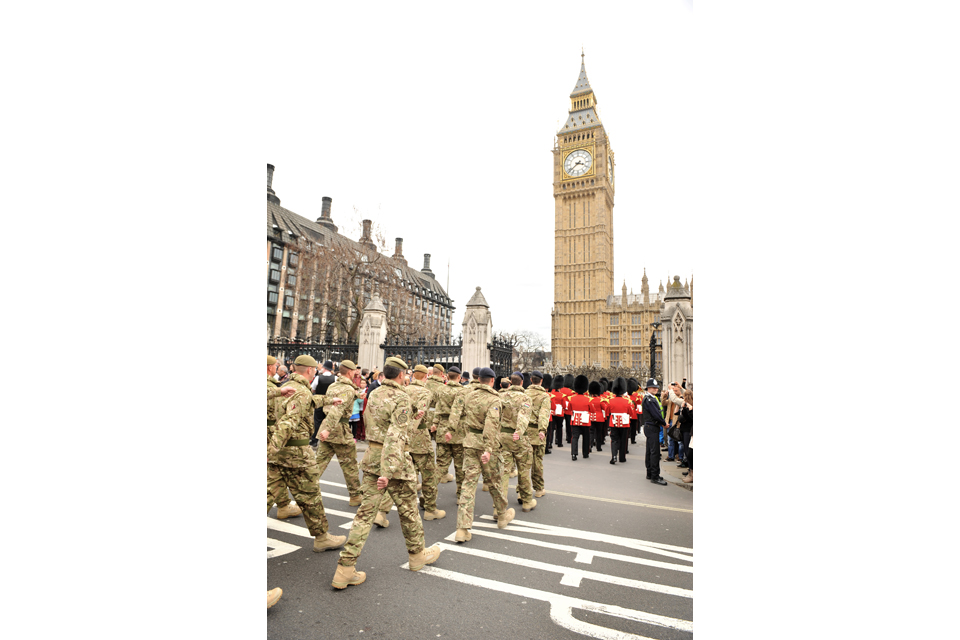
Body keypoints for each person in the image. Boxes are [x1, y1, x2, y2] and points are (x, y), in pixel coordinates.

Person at [331, 356, 442, 589]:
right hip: (394, 461)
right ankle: (417, 556)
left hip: (372, 457)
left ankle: (344, 568)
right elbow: (395, 435)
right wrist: (389, 470)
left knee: (364, 515)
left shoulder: (375, 393)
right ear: (401, 375)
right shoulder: (401, 397)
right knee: (409, 510)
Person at [267, 354, 348, 552]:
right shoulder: (301, 391)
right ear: (311, 371)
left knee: (268, 492)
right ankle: (322, 538)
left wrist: (329, 399)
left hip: (281, 453)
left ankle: (321, 536)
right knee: (311, 496)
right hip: (297, 454)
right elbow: (289, 421)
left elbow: (309, 401)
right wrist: (271, 450)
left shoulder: (283, 387)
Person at [448, 367, 515, 543]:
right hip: (488, 444)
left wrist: (450, 429)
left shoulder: (468, 394)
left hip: (469, 442)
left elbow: (456, 413)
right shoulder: (494, 399)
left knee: (468, 485)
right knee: (494, 480)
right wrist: (488, 449)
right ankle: (501, 515)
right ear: (492, 380)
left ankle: (462, 528)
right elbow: (491, 425)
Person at [377, 364, 444, 522]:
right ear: (426, 376)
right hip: (419, 437)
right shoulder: (425, 392)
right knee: (428, 474)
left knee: (398, 475)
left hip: (402, 438)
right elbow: (419, 415)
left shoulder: (403, 390)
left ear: (413, 375)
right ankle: (430, 508)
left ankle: (382, 511)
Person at [315, 360, 363, 506]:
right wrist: (328, 429)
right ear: (350, 372)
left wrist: (325, 429)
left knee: (319, 463)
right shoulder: (348, 389)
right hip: (339, 429)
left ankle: (307, 491)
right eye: (355, 371)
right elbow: (337, 410)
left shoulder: (333, 385)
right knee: (349, 465)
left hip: (326, 426)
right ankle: (355, 496)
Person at [268, 355, 301, 519]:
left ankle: (283, 504)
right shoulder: (270, 386)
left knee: (274, 471)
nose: (277, 368)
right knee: (272, 471)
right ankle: (283, 505)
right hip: (269, 431)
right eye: (275, 365)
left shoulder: (273, 385)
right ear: (270, 367)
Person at [497, 372, 536, 512]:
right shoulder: (525, 397)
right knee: (524, 469)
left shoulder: (501, 396)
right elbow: (523, 416)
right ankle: (526, 501)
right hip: (519, 438)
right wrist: (518, 431)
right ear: (522, 382)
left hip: (503, 436)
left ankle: (499, 507)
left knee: (503, 471)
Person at [433, 366, 466, 494]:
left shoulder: (441, 390)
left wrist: (435, 423)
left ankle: (429, 492)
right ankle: (460, 494)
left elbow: (437, 407)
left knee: (441, 465)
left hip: (442, 427)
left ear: (447, 376)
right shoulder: (463, 391)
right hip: (459, 430)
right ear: (459, 377)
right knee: (460, 466)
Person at [524, 371, 551, 499]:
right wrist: (542, 430)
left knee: (523, 462)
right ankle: (539, 488)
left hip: (524, 431)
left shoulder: (524, 394)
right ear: (541, 381)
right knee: (537, 462)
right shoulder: (544, 396)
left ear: (530, 380)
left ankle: (521, 490)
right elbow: (544, 414)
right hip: (536, 431)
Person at [642, 378, 668, 485]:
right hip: (652, 426)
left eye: (656, 388)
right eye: (653, 388)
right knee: (655, 452)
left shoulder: (649, 398)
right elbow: (656, 414)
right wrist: (663, 423)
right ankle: (655, 476)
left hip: (650, 427)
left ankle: (650, 473)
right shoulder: (650, 399)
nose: (656, 389)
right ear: (648, 388)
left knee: (649, 451)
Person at [606, 378, 632, 465]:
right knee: (623, 440)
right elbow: (630, 413)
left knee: (614, 440)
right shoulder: (627, 401)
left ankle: (614, 456)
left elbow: (607, 412)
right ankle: (622, 457)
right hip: (624, 423)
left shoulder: (610, 400)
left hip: (613, 422)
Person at [568, 375, 591, 461]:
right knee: (586, 437)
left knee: (574, 437)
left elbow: (569, 409)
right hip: (585, 421)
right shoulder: (588, 399)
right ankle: (585, 453)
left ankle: (574, 454)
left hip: (575, 420)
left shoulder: (571, 398)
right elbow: (591, 410)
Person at [678, 390, 693, 480]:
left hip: (688, 430)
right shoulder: (687, 406)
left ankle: (691, 473)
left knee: (689, 452)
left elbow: (689, 418)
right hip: (685, 430)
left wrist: (688, 410)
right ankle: (690, 471)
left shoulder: (691, 407)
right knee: (687, 452)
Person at [588, 381, 607, 454]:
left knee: (591, 432)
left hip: (591, 417)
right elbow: (604, 408)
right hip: (599, 418)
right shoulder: (600, 400)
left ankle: (590, 446)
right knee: (599, 433)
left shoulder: (589, 400)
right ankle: (598, 447)